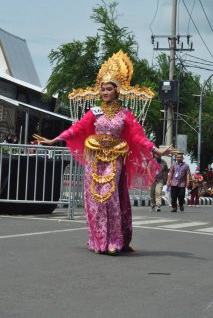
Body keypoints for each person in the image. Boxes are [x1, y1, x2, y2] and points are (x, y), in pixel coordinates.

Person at [39, 50, 174, 255]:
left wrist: (156, 149)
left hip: (115, 157)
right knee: (96, 199)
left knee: (109, 196)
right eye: (102, 89)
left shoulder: (125, 114)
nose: (104, 92)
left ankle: (114, 241)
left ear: (116, 91)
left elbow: (138, 137)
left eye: (108, 89)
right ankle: (99, 240)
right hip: (95, 158)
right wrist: (55, 139)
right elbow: (76, 129)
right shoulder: (94, 112)